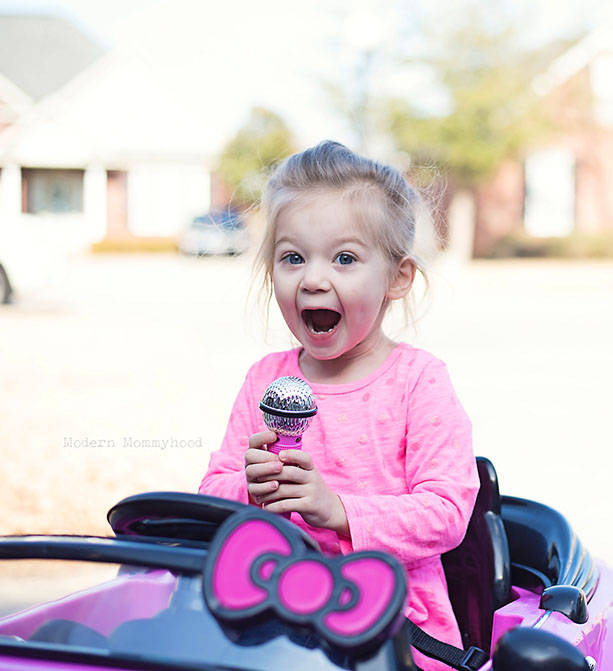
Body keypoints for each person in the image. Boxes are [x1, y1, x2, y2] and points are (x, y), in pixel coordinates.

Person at [199, 141, 479, 670]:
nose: (313, 278)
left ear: (398, 278)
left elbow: (446, 513)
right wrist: (251, 491)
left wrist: (338, 511)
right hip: (268, 622)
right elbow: (213, 493)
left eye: (345, 258)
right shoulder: (266, 380)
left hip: (394, 632)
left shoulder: (417, 381)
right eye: (292, 257)